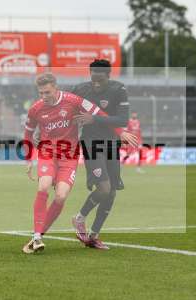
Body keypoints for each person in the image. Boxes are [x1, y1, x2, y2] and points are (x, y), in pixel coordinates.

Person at [22, 73, 136, 254]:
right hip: (47, 152)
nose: (44, 96)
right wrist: (28, 159)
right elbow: (28, 133)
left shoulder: (73, 101)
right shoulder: (36, 109)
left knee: (60, 197)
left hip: (69, 156)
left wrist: (120, 132)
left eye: (47, 92)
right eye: (41, 93)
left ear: (56, 88)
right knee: (43, 186)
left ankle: (40, 234)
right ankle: (37, 237)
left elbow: (99, 113)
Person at [71, 59, 131, 250]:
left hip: (112, 144)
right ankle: (79, 218)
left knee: (112, 191)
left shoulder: (119, 89)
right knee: (104, 189)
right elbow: (65, 110)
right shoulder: (80, 89)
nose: (95, 83)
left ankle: (94, 235)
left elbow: (123, 120)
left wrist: (93, 118)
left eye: (100, 80)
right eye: (93, 78)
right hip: (91, 142)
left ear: (108, 75)